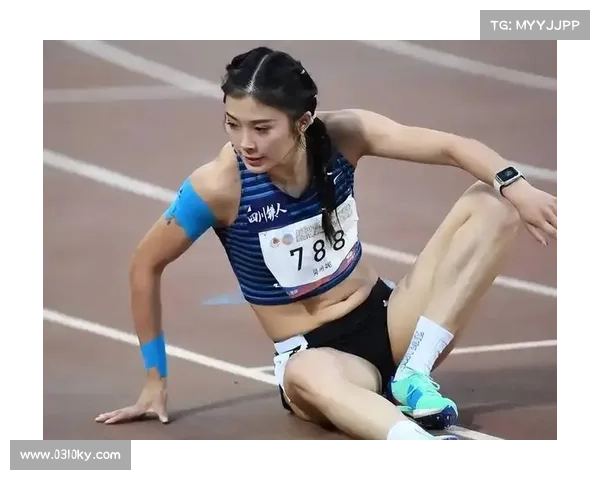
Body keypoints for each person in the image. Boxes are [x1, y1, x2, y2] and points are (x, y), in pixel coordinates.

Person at [94, 46, 559, 440]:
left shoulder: (344, 135)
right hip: (317, 356)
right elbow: (145, 264)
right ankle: (419, 447)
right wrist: (154, 379)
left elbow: (450, 147)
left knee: (494, 201)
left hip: (392, 321)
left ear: (303, 121)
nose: (245, 142)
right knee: (304, 374)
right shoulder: (219, 185)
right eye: (233, 124)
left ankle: (414, 374)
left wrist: (516, 186)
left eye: (262, 128)